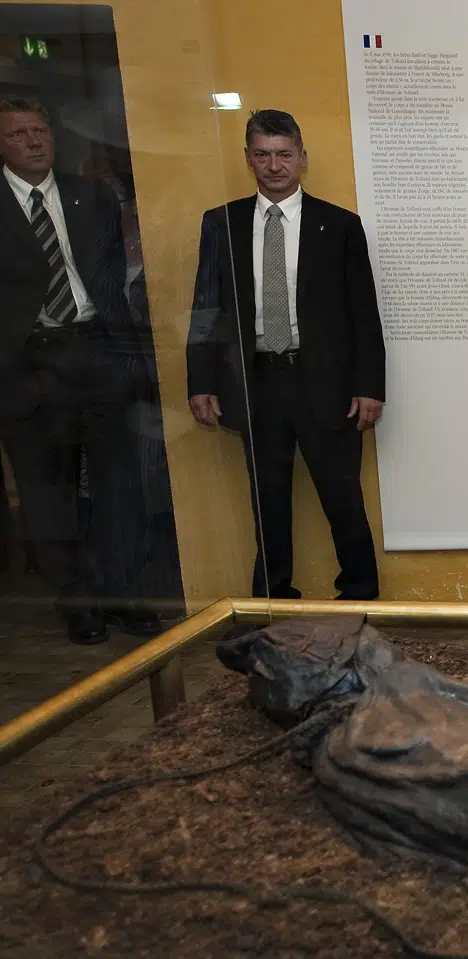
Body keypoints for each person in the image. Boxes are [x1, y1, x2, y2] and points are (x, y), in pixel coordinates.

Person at [187, 110, 385, 602]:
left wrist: (370, 387)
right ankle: (274, 598)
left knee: (342, 497)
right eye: (263, 155)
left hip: (326, 385)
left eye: (284, 154)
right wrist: (201, 381)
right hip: (256, 383)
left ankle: (360, 595)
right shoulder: (222, 223)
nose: (274, 165)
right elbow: (205, 309)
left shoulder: (338, 225)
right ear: (248, 159)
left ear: (302, 158)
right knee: (267, 500)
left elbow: (364, 312)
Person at [0, 95, 145, 643]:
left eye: (40, 130)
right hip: (29, 362)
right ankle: (78, 600)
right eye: (18, 134)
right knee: (49, 490)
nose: (34, 142)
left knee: (117, 483)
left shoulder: (91, 195)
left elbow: (111, 275)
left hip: (97, 349)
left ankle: (124, 594)